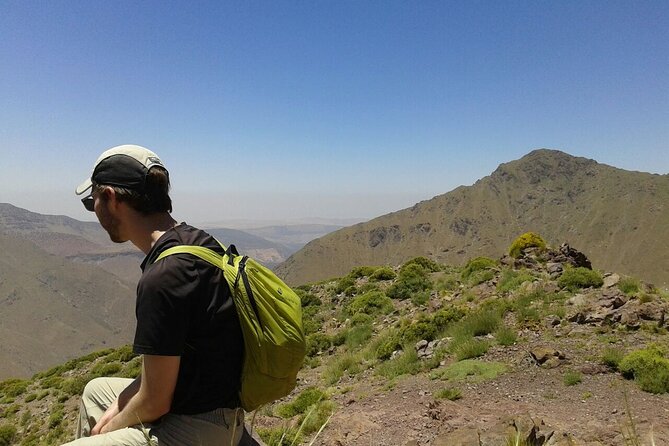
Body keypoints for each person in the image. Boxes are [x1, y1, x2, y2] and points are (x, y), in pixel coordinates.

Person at [65, 144, 250, 446]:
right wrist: (122, 404)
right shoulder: (195, 241)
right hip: (213, 403)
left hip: (199, 425)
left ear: (110, 198)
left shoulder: (164, 276)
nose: (94, 210)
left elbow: (155, 403)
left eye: (92, 201)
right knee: (96, 391)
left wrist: (108, 430)